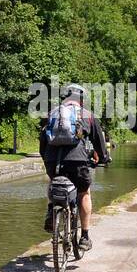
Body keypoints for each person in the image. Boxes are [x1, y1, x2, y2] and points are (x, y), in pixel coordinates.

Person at [40, 84, 110, 251]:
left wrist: (47, 159)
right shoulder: (87, 116)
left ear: (64, 98)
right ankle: (85, 236)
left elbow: (42, 143)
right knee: (84, 193)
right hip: (77, 160)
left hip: (52, 160)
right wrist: (104, 158)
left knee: (53, 182)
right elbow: (99, 143)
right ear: (82, 99)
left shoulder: (52, 114)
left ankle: (52, 210)